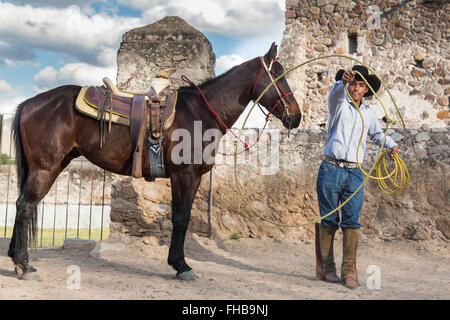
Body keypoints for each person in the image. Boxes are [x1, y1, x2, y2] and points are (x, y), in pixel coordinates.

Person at [316, 65, 399, 289]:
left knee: (352, 221)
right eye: (353, 83)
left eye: (361, 85)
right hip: (331, 168)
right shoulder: (339, 102)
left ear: (365, 89)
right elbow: (335, 94)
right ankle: (327, 268)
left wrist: (390, 145)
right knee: (329, 220)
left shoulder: (368, 113)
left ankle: (349, 271)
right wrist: (342, 82)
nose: (356, 88)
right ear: (348, 84)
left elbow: (376, 134)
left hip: (354, 171)